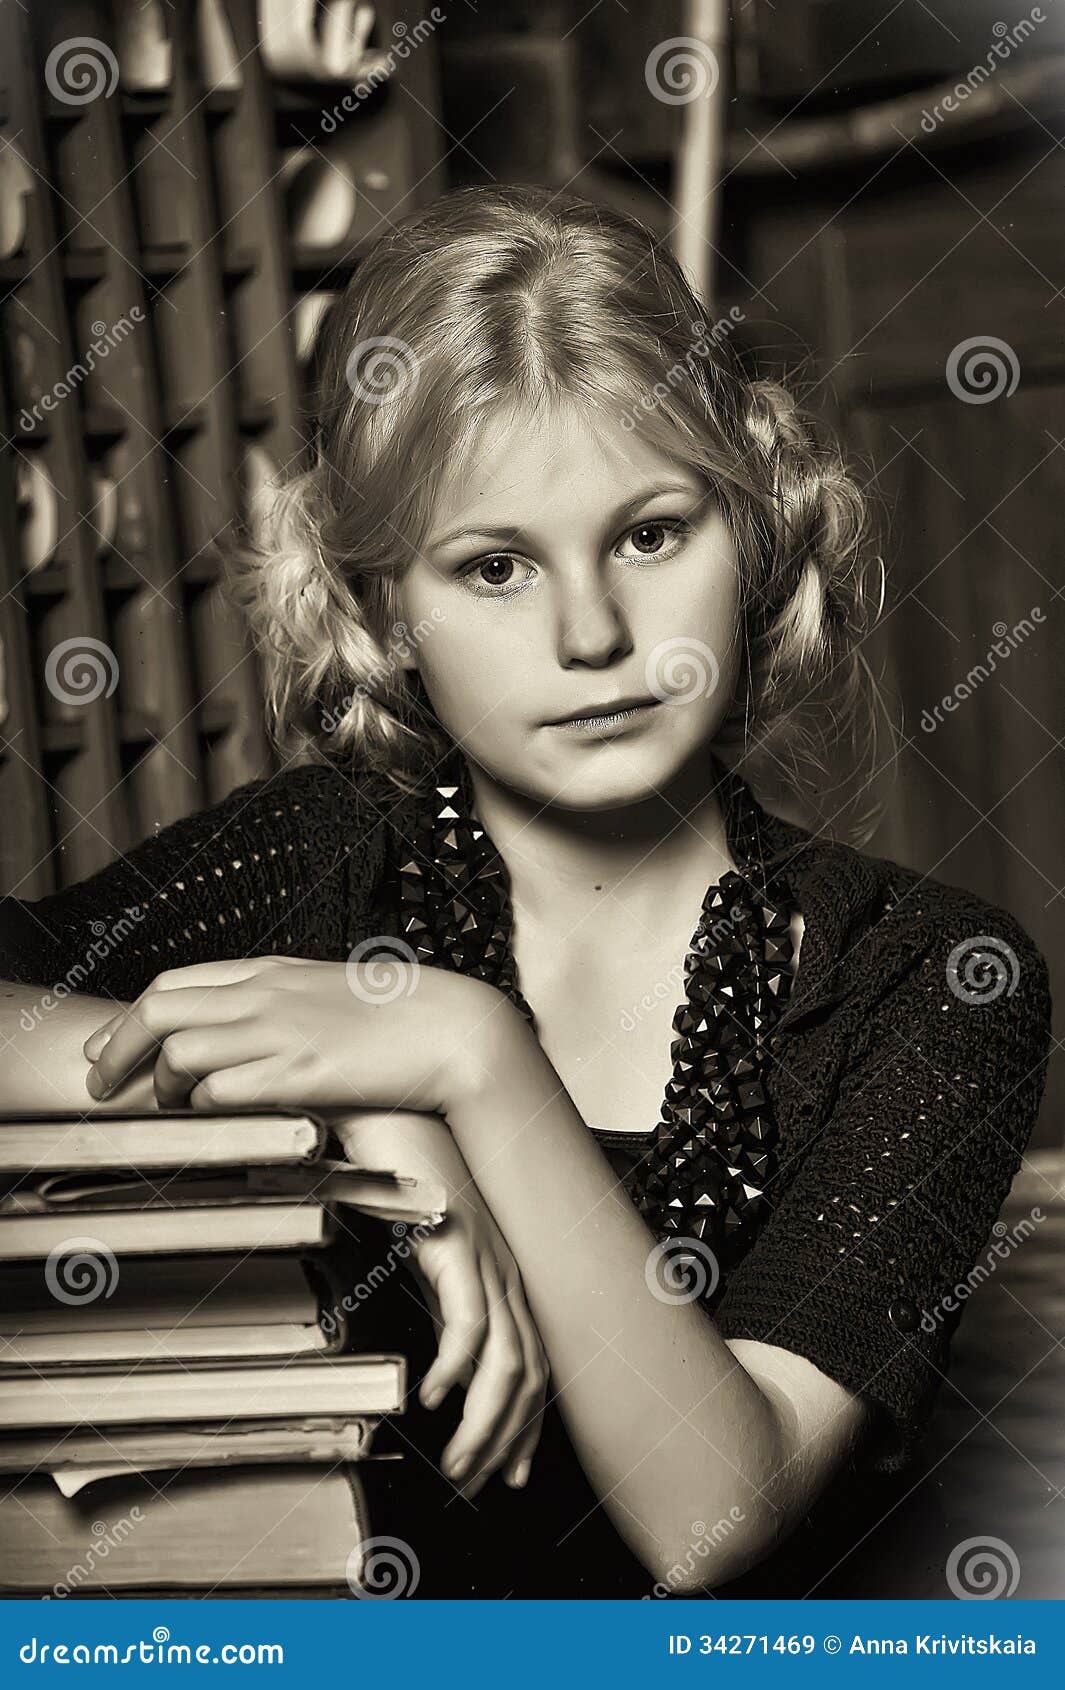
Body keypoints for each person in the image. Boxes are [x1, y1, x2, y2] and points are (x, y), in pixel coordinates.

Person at [0, 185, 1051, 1598]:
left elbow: (706, 1523)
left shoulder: (921, 975)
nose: (591, 633)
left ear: (753, 529)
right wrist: (327, 1109)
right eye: (493, 565)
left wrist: (465, 1057)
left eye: (651, 533)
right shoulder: (317, 854)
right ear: (383, 610)